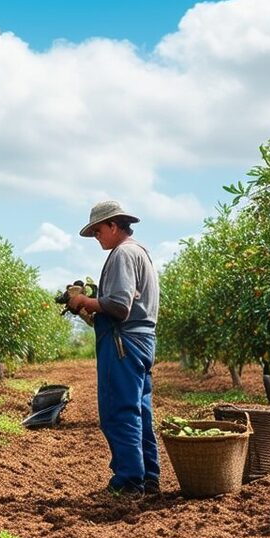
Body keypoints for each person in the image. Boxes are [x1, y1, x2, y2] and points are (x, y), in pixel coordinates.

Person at [68, 200, 161, 496]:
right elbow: (125, 306)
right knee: (139, 411)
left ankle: (129, 480)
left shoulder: (123, 254)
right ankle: (148, 478)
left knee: (119, 412)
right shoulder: (140, 253)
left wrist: (84, 301)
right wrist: (92, 310)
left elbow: (120, 307)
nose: (97, 237)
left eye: (98, 231)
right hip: (140, 341)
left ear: (113, 225)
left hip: (124, 344)